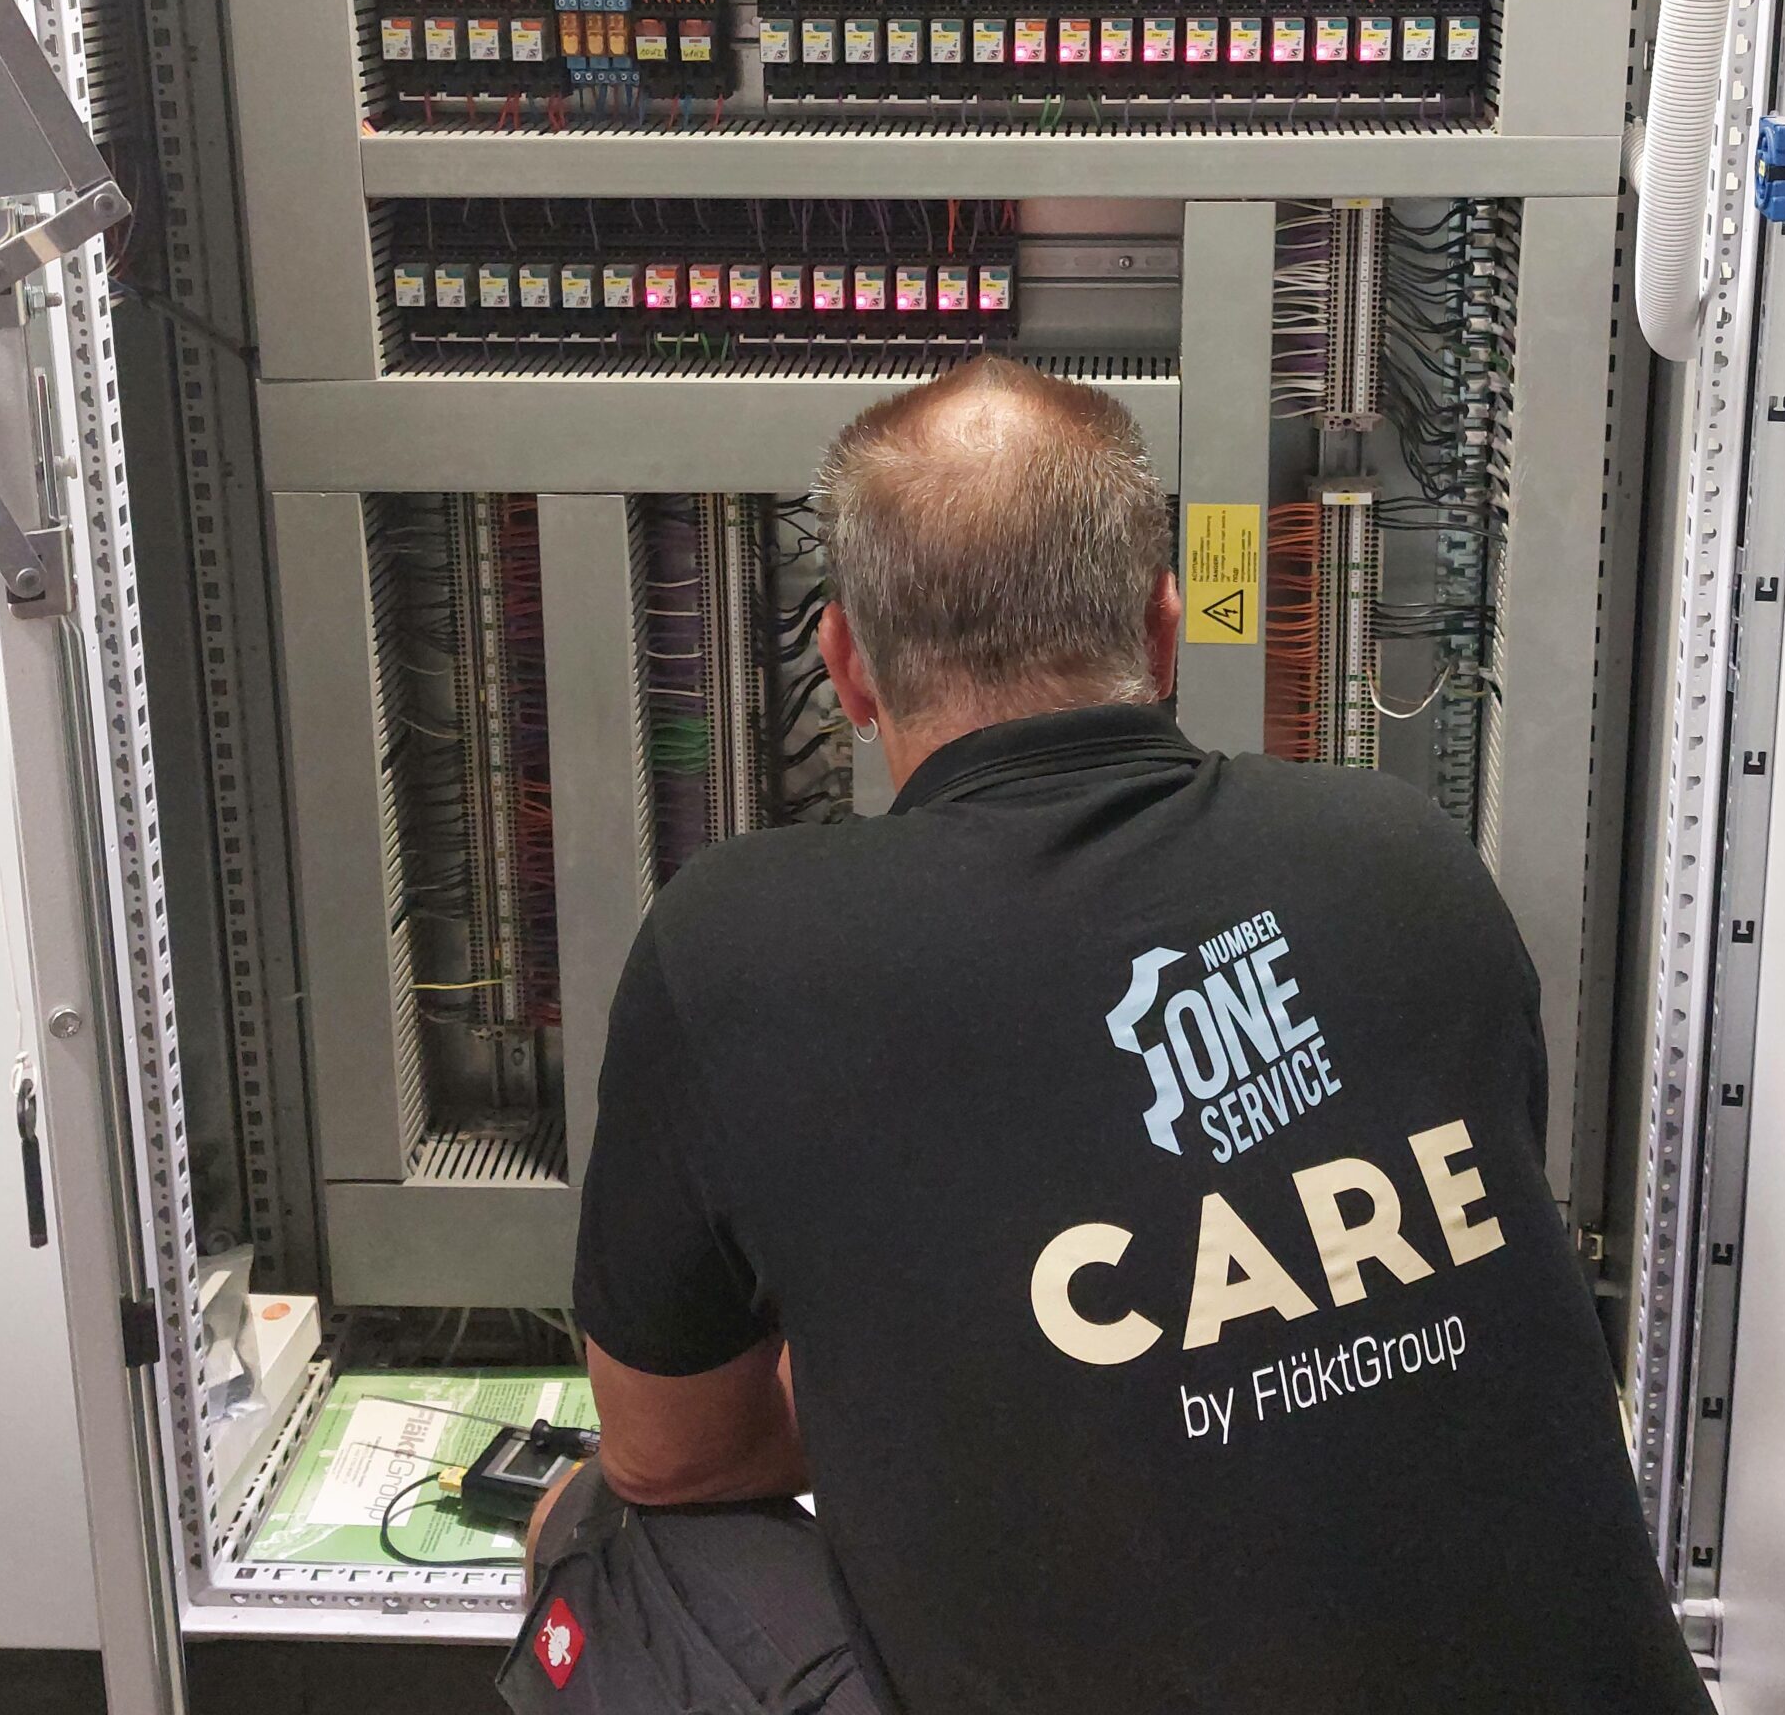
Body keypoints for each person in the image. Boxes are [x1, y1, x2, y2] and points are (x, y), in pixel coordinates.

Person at [504, 357, 1710, 1714]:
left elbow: (669, 1457)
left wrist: (936, 1383)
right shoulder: (1405, 852)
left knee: (597, 1532)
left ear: (845, 667)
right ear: (1162, 625)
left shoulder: (731, 947)